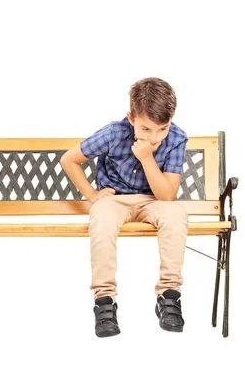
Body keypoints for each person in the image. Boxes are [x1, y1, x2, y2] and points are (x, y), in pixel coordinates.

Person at [60, 77, 189, 337]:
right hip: (114, 199)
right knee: (102, 222)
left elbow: (167, 196)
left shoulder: (176, 138)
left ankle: (169, 295)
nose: (154, 137)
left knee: (176, 215)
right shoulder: (114, 133)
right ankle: (104, 300)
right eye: (146, 129)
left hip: (154, 201)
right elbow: (69, 159)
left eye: (162, 129)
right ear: (131, 118)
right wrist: (92, 194)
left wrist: (146, 158)